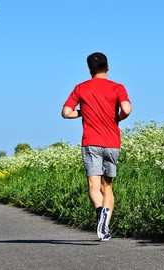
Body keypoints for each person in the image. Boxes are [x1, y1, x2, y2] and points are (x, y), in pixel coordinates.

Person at [62, 52, 132, 241]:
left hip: (91, 141)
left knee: (93, 185)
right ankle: (105, 226)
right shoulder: (117, 87)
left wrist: (83, 112)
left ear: (89, 69)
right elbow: (126, 109)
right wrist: (117, 118)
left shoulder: (80, 88)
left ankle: (100, 212)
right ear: (107, 67)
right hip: (112, 142)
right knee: (107, 186)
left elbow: (66, 113)